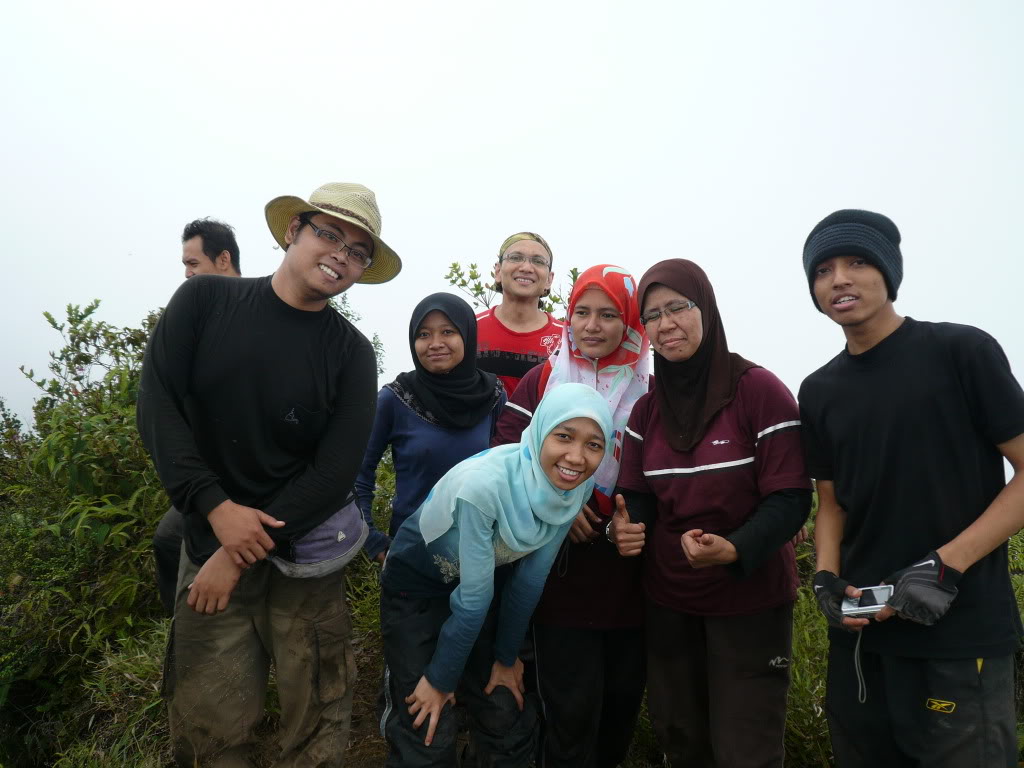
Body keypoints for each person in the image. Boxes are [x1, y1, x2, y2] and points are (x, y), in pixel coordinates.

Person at [137, 182, 401, 767]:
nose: (340, 254)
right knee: (209, 728)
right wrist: (215, 509)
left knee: (319, 723)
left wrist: (237, 549)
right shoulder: (205, 303)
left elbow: (335, 472)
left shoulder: (351, 352)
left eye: (358, 250)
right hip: (207, 539)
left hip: (305, 560)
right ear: (293, 231)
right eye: (328, 234)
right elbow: (158, 407)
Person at [798, 209, 1024, 768]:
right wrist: (825, 577)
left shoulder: (961, 352)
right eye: (823, 270)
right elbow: (831, 502)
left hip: (958, 632)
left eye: (857, 262)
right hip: (860, 640)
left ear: (889, 272)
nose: (840, 279)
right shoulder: (820, 390)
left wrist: (944, 566)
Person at [609, 258, 811, 768]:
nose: (666, 324)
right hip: (669, 601)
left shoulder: (758, 391)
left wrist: (736, 546)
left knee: (747, 747)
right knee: (683, 740)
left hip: (751, 602)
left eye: (678, 307)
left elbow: (790, 497)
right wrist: (627, 526)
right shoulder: (646, 411)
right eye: (652, 315)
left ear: (707, 309)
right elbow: (639, 496)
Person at [378, 383, 614, 767]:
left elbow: (529, 581)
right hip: (415, 591)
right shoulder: (484, 486)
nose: (576, 457)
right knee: (426, 725)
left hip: (480, 585)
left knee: (507, 713)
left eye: (594, 444)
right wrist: (440, 678)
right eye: (564, 436)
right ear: (540, 431)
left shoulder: (575, 488)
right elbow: (472, 604)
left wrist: (506, 659)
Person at [491, 263, 650, 767]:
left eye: (608, 314)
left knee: (620, 707)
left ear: (629, 321)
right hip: (558, 572)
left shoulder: (653, 389)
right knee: (569, 709)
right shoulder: (544, 380)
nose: (593, 325)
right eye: (581, 312)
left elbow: (664, 468)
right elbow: (505, 454)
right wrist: (561, 504)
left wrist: (636, 518)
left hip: (632, 575)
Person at [354, 293, 506, 563]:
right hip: (411, 551)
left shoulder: (492, 395)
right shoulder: (396, 397)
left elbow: (507, 474)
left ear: (467, 336)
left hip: (480, 550)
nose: (435, 344)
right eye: (423, 335)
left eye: (447, 331)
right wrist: (372, 541)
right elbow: (358, 472)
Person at [152, 218, 244, 617]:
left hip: (258, 468)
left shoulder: (255, 309)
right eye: (185, 266)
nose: (187, 274)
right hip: (207, 471)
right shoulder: (194, 316)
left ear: (223, 259)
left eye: (194, 263)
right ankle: (184, 620)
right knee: (169, 538)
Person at [476, 232, 563, 396]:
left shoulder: (566, 338)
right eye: (516, 258)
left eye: (538, 261)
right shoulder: (470, 329)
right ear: (498, 271)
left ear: (549, 279)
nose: (526, 268)